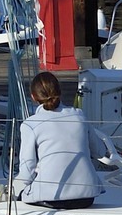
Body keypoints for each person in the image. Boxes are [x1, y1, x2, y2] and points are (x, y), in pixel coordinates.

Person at [15, 70, 107, 207]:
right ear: (60, 92)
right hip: (86, 196)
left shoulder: (30, 124)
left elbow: (27, 169)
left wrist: (15, 190)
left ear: (33, 97)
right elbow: (100, 152)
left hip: (51, 196)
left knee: (18, 192)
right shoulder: (79, 116)